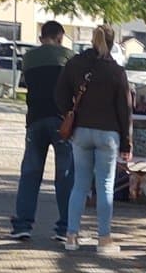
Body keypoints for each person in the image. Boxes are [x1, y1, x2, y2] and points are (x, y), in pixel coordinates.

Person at [56, 24, 132, 255]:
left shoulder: (75, 64)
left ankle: (71, 235)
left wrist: (70, 113)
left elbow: (59, 94)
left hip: (81, 131)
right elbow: (125, 109)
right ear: (112, 42)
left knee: (79, 185)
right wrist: (126, 142)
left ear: (92, 39)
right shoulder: (116, 72)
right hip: (108, 134)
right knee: (105, 186)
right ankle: (104, 239)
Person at [9, 21, 75, 243]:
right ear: (60, 37)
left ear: (42, 36)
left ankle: (23, 224)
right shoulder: (68, 57)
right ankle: (65, 227)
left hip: (35, 119)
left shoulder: (29, 58)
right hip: (61, 121)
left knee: (30, 173)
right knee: (65, 175)